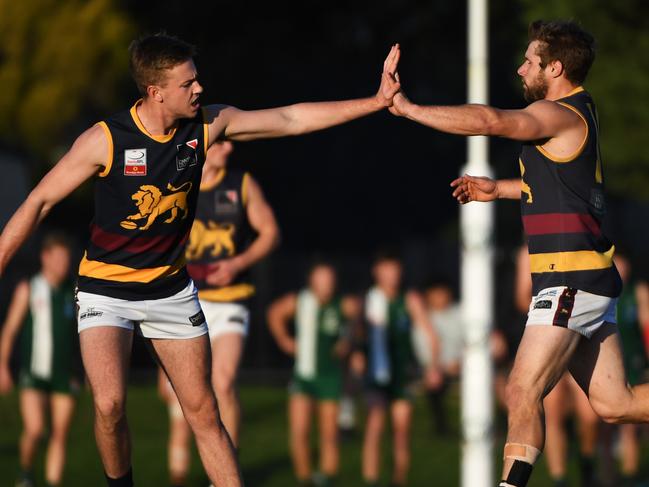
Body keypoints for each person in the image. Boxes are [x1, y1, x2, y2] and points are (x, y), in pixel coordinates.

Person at [0, 33, 402, 487]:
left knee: (205, 411)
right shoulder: (105, 140)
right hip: (105, 289)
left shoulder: (208, 126)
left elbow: (290, 119)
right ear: (156, 92)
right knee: (109, 404)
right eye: (188, 83)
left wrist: (374, 101)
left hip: (170, 290)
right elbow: (38, 203)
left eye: (197, 80)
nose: (199, 89)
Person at [390, 19, 648, 487]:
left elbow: (491, 121)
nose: (520, 67)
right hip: (587, 277)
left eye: (529, 61)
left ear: (554, 68)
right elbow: (561, 190)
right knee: (617, 405)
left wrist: (409, 109)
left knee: (520, 388)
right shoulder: (575, 115)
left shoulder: (559, 113)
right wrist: (500, 189)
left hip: (569, 279)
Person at [159, 139, 279, 486]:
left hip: (229, 298)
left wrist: (238, 262)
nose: (229, 151)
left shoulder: (240, 184)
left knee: (223, 383)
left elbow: (270, 233)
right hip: (182, 299)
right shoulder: (177, 184)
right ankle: (179, 475)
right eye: (222, 144)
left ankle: (225, 477)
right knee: (178, 398)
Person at [0, 233, 83, 487]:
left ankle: (53, 482)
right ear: (45, 258)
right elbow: (10, 329)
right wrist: (2, 366)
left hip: (64, 373)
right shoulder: (29, 288)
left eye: (66, 258)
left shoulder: (73, 291)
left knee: (60, 434)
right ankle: (26, 473)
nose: (63, 263)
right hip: (34, 373)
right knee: (36, 429)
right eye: (58, 257)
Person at [267, 261, 359, 487]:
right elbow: (275, 312)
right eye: (321, 278)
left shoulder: (343, 304)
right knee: (299, 431)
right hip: (303, 377)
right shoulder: (300, 301)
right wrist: (284, 340)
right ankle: (304, 479)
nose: (326, 284)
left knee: (329, 433)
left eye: (329, 279)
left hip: (330, 376)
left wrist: (348, 340)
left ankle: (327, 478)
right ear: (312, 281)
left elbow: (358, 321)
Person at [516, 244, 600, 487]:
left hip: (580, 334)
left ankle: (586, 462)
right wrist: (550, 308)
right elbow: (522, 297)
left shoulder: (580, 240)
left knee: (593, 412)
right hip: (548, 336)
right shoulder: (529, 251)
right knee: (553, 411)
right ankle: (559, 477)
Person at [356, 251, 441, 487]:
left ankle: (398, 480)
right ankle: (371, 481)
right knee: (375, 427)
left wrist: (432, 366)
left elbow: (429, 334)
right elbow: (357, 333)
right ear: (377, 272)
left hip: (404, 373)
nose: (392, 275)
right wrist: (356, 354)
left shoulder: (410, 299)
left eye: (395, 270)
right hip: (377, 374)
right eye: (387, 270)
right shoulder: (368, 300)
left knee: (402, 434)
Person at [612, 254, 649, 486]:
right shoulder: (599, 294)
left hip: (636, 361)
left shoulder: (638, 292)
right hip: (614, 367)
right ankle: (629, 475)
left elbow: (646, 326)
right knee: (625, 425)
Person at [412, 278, 463, 436]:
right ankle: (441, 426)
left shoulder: (460, 313)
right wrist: (442, 366)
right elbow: (423, 351)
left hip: (463, 365)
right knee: (433, 379)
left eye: (443, 293)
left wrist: (460, 362)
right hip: (439, 368)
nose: (440, 298)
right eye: (436, 294)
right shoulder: (424, 320)